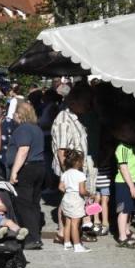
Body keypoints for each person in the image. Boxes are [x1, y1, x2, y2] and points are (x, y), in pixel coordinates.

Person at [51, 85, 95, 238]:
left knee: (74, 201)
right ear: (76, 101)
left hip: (76, 169)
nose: (89, 105)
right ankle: (62, 232)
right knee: (68, 201)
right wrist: (67, 174)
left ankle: (73, 231)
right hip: (69, 169)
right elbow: (61, 151)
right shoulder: (64, 120)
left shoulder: (76, 117)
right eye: (87, 101)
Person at [6, 101, 46, 249]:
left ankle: (31, 237)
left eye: (15, 113)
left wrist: (14, 171)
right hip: (39, 167)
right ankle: (35, 234)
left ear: (19, 114)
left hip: (26, 169)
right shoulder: (36, 128)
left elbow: (23, 150)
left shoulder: (23, 129)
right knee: (34, 203)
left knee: (24, 204)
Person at [59, 150, 91, 253]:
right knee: (75, 224)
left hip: (66, 198)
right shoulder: (80, 175)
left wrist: (68, 190)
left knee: (67, 222)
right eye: (82, 161)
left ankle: (67, 243)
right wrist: (89, 194)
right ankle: (77, 245)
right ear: (77, 162)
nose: (83, 163)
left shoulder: (65, 174)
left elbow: (60, 187)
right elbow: (82, 191)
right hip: (76, 199)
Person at [113, 141, 135, 248]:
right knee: (123, 210)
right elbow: (123, 168)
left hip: (134, 181)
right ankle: (122, 238)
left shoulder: (133, 146)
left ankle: (127, 231)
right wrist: (132, 187)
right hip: (124, 183)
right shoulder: (122, 147)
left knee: (129, 209)